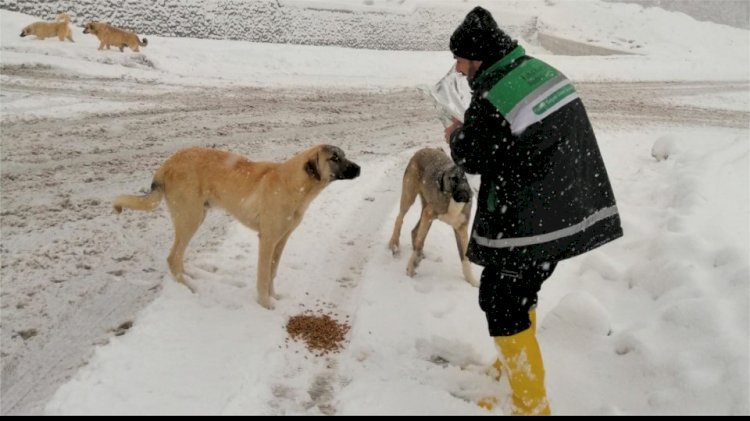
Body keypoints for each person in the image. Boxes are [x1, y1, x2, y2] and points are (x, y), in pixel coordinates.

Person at [444, 6, 623, 415]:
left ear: (479, 56)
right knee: (520, 294)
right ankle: (509, 373)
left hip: (534, 217)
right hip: (564, 209)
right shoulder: (532, 70)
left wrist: (456, 134)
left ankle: (531, 405)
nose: (456, 67)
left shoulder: (495, 95)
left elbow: (473, 156)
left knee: (501, 301)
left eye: (460, 58)